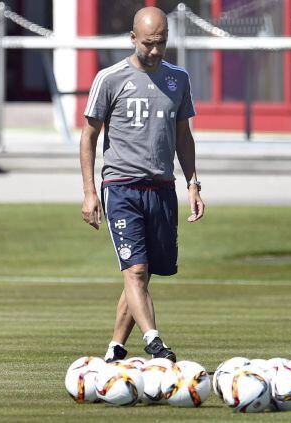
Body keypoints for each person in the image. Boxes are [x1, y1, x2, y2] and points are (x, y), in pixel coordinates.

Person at [79, 6, 204, 362]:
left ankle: (116, 348)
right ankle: (154, 341)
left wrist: (193, 184)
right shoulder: (110, 78)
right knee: (134, 269)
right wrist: (90, 192)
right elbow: (88, 138)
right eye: (148, 43)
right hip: (121, 187)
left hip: (162, 189)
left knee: (143, 273)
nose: (154, 50)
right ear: (133, 38)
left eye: (161, 43)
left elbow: (184, 136)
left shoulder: (178, 79)